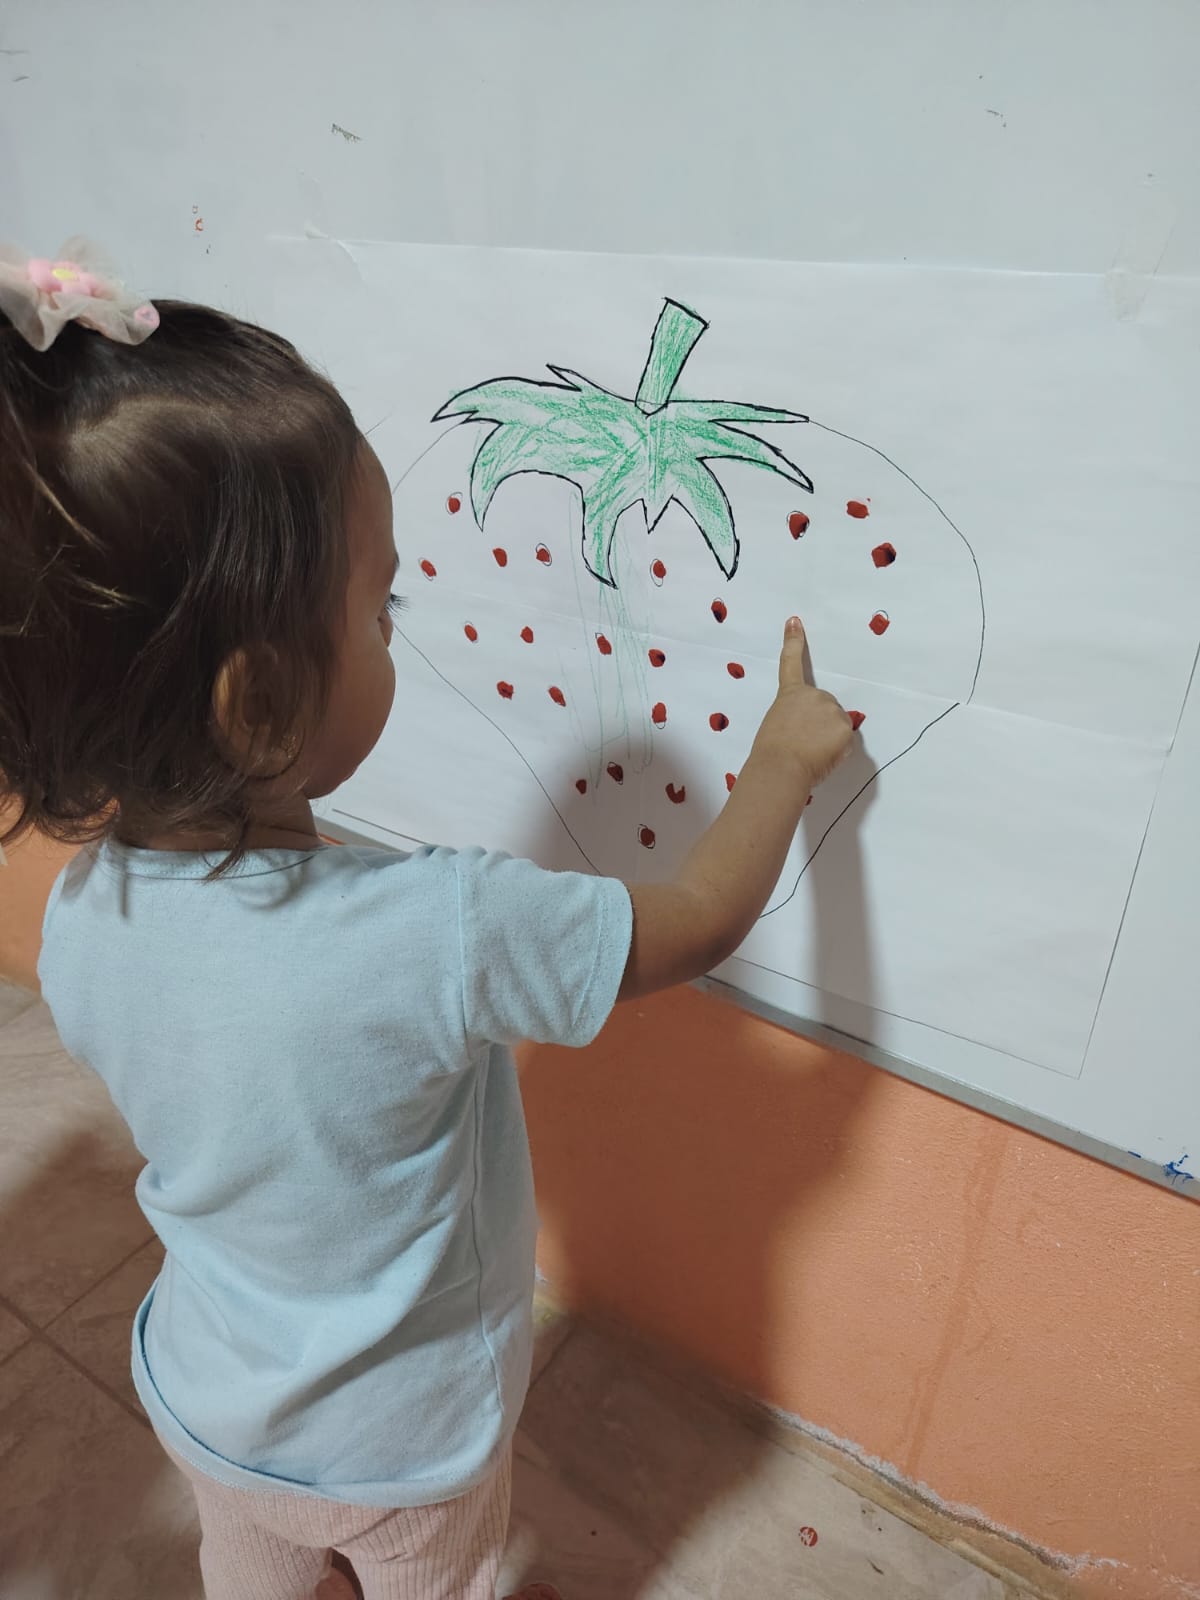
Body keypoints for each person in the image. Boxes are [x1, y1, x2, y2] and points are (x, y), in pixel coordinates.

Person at [0, 242, 853, 1600]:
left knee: (252, 1574)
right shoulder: (440, 930)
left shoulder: (81, 919)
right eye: (380, 605)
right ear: (260, 707)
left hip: (211, 1406)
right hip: (403, 1453)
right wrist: (785, 764)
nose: (399, 628)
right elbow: (695, 919)